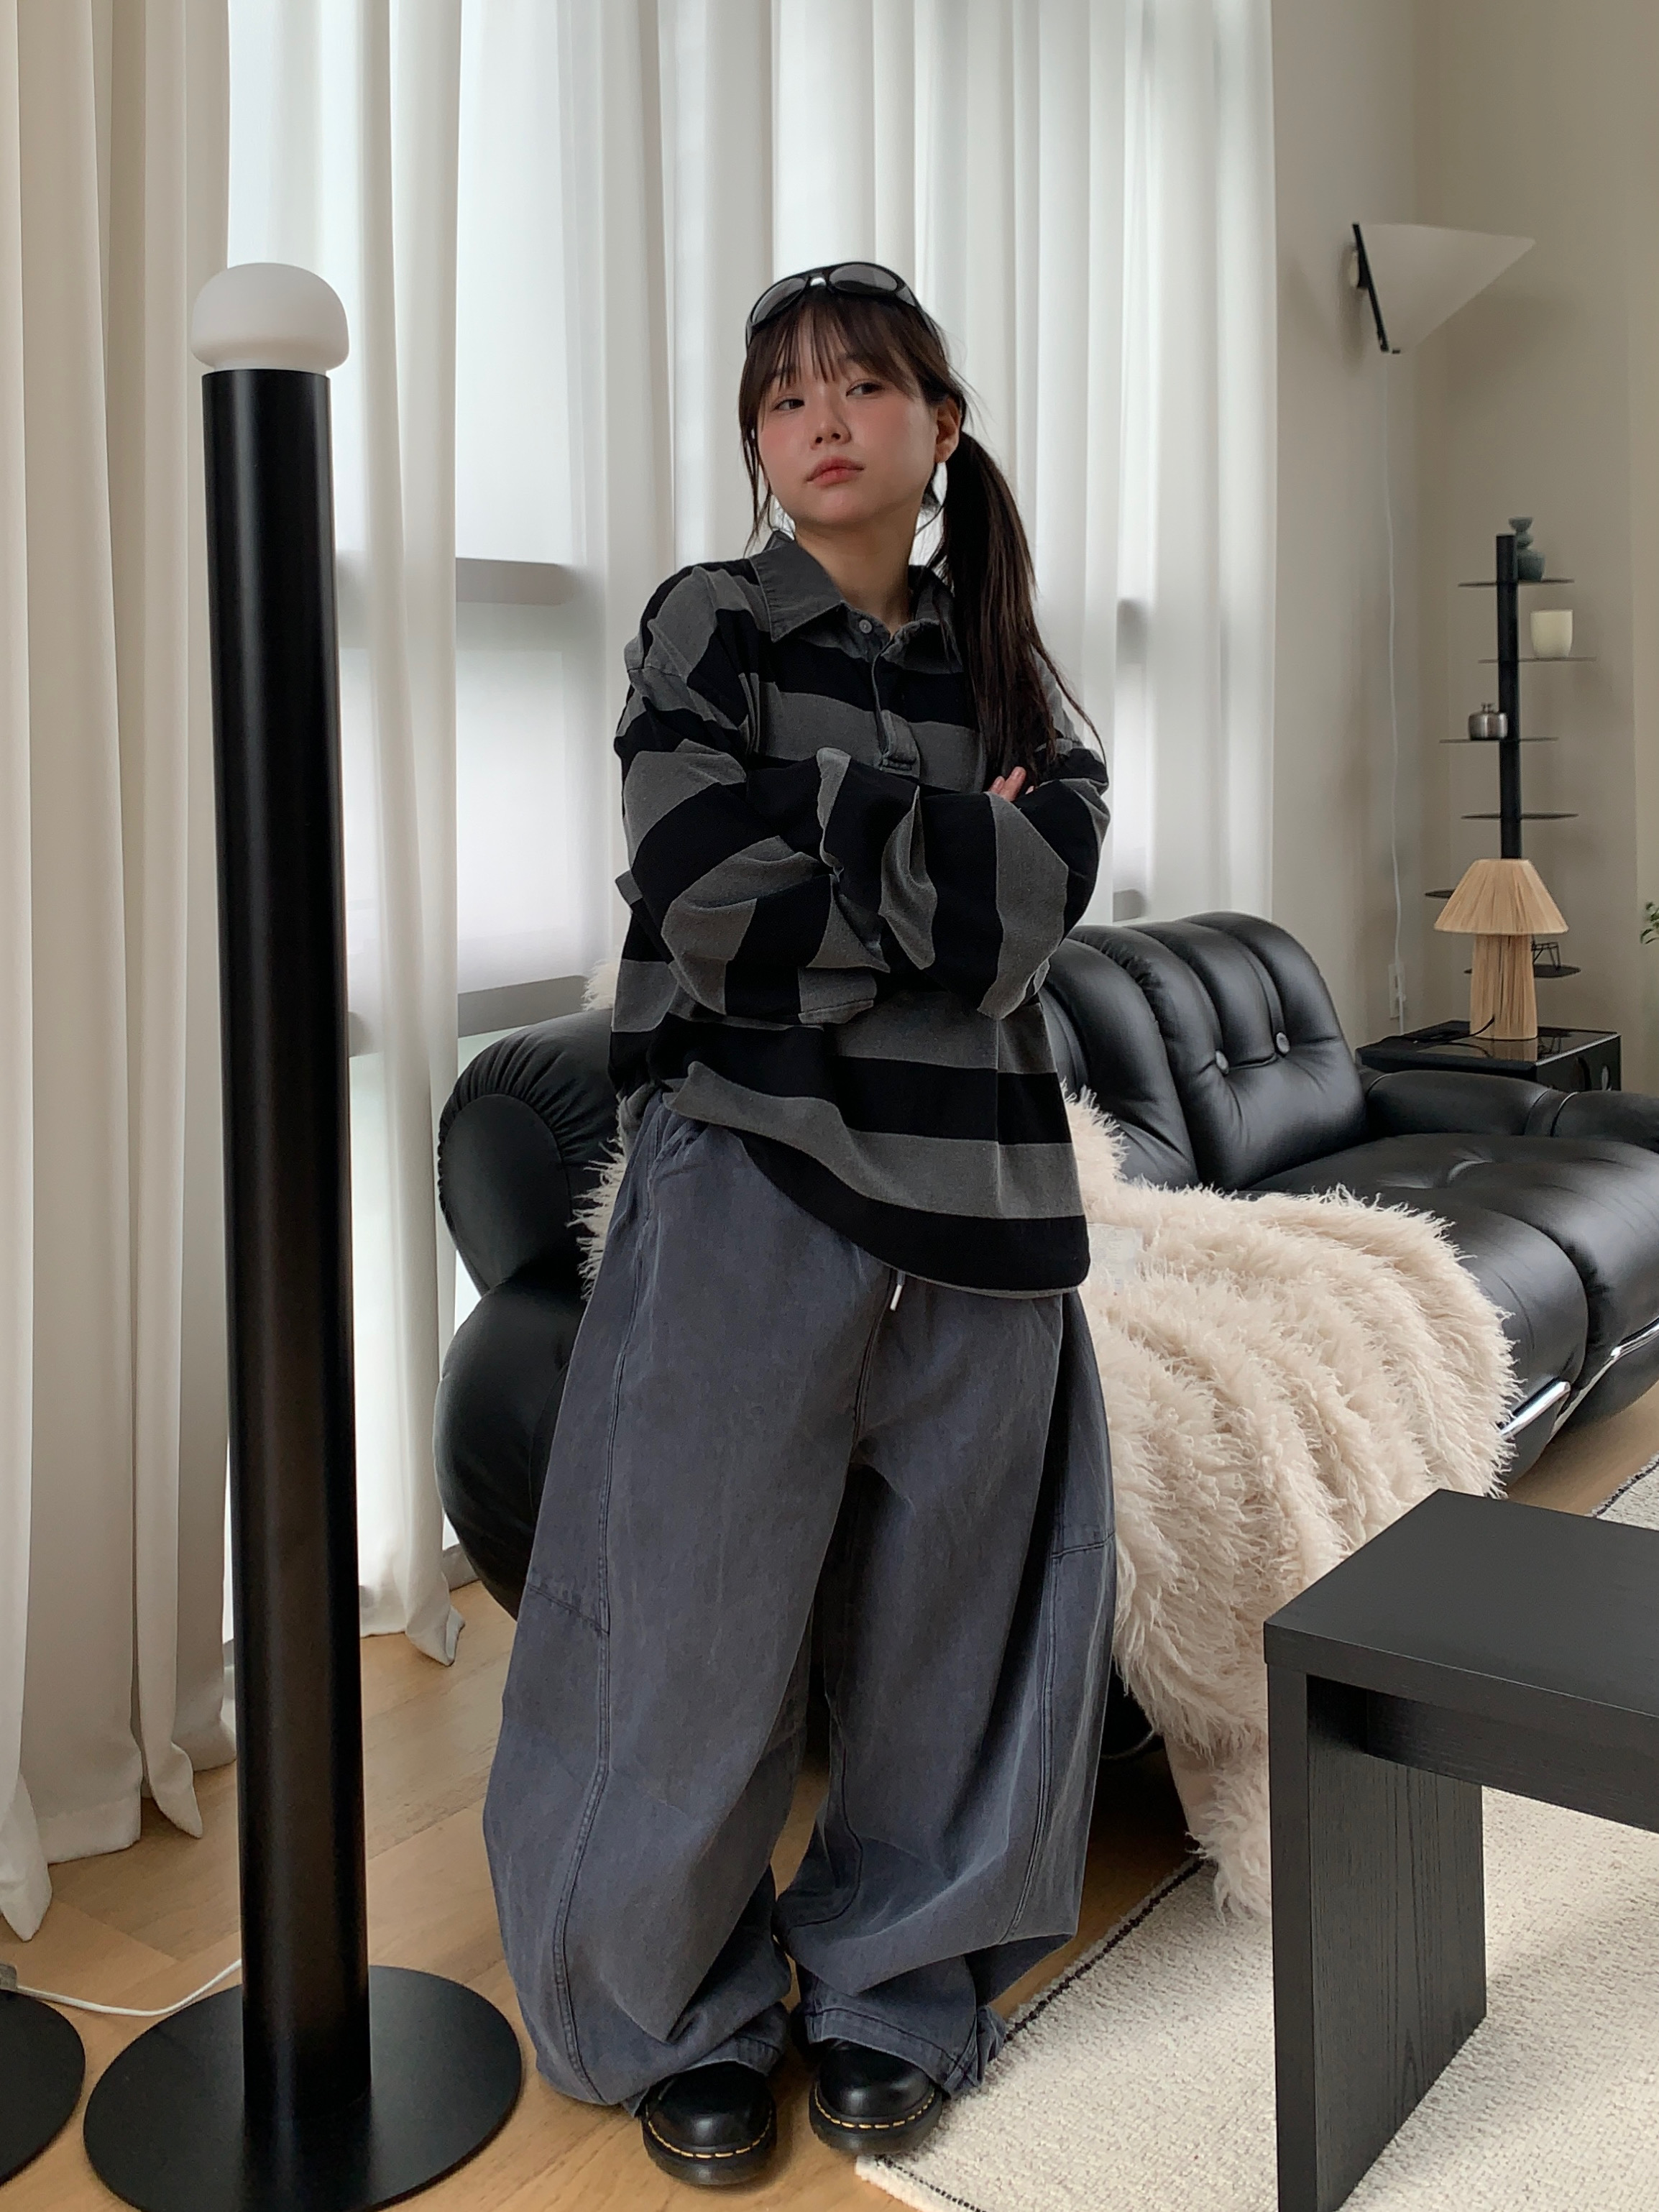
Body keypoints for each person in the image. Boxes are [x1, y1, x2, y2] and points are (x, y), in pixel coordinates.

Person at [484, 262, 1116, 2190]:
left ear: (941, 423)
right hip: (751, 1171)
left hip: (989, 1203)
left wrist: (824, 817)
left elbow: (1037, 907)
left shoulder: (1012, 673)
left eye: (862, 385)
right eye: (784, 397)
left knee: (951, 1637)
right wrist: (937, 861)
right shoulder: (710, 621)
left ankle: (888, 1989)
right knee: (681, 1628)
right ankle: (673, 2007)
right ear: (758, 443)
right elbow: (700, 895)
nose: (821, 420)